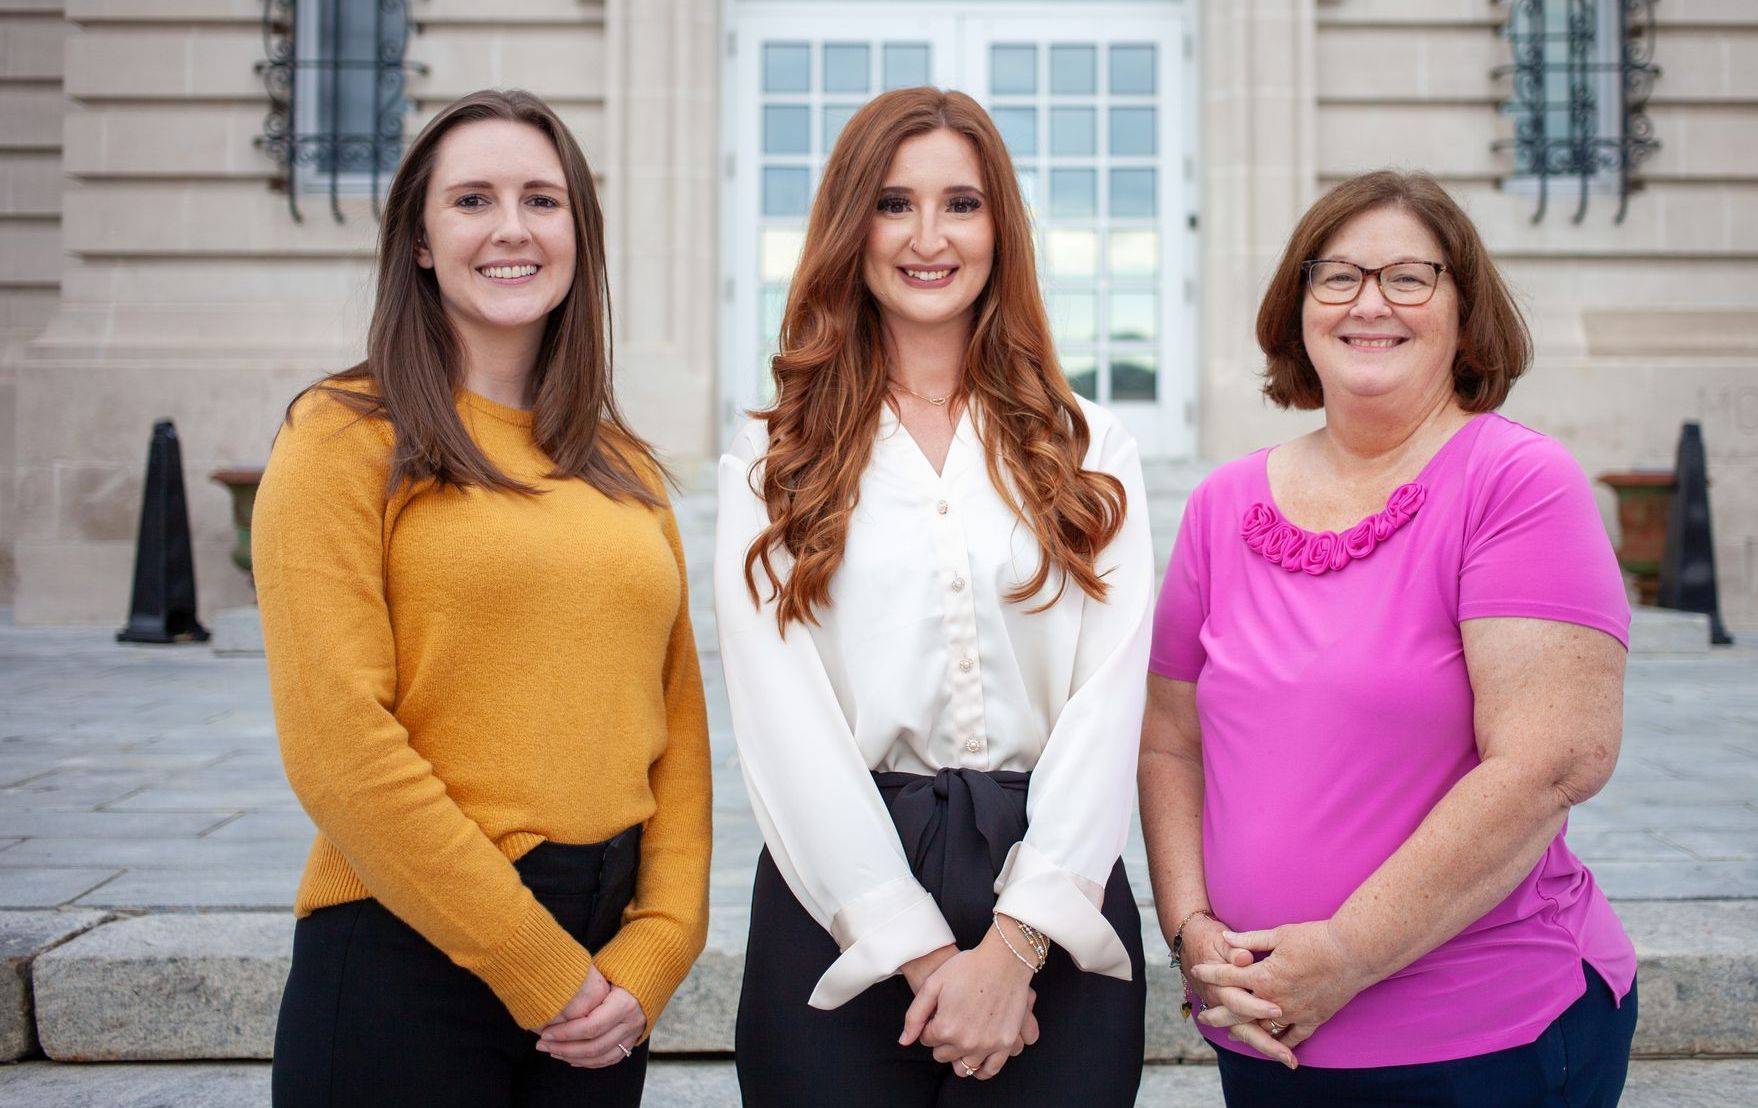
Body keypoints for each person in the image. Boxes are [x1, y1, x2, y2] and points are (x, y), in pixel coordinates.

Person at [1139, 170, 1638, 1106]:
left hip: (1478, 1041)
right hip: (1261, 1029)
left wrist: (1345, 954)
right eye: (1337, 277)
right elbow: (1169, 737)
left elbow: (1550, 763)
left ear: (1464, 312)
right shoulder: (1221, 505)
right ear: (1298, 311)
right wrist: (1192, 933)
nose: (1369, 302)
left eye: (1408, 277)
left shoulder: (1516, 484)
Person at [253, 88, 711, 1106]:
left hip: (600, 989)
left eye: (542, 200)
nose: (512, 228)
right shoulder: (340, 437)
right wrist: (535, 966)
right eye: (472, 200)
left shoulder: (621, 465)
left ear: (577, 237)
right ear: (418, 240)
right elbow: (336, 745)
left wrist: (662, 943)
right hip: (406, 949)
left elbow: (676, 725)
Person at [713, 87, 1151, 1106]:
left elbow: (1108, 705)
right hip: (838, 891)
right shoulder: (771, 460)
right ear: (848, 226)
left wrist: (1013, 946)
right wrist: (914, 952)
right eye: (893, 203)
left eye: (960, 203)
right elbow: (784, 726)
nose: (928, 236)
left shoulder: (1090, 449)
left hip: (1054, 881)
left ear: (999, 226)